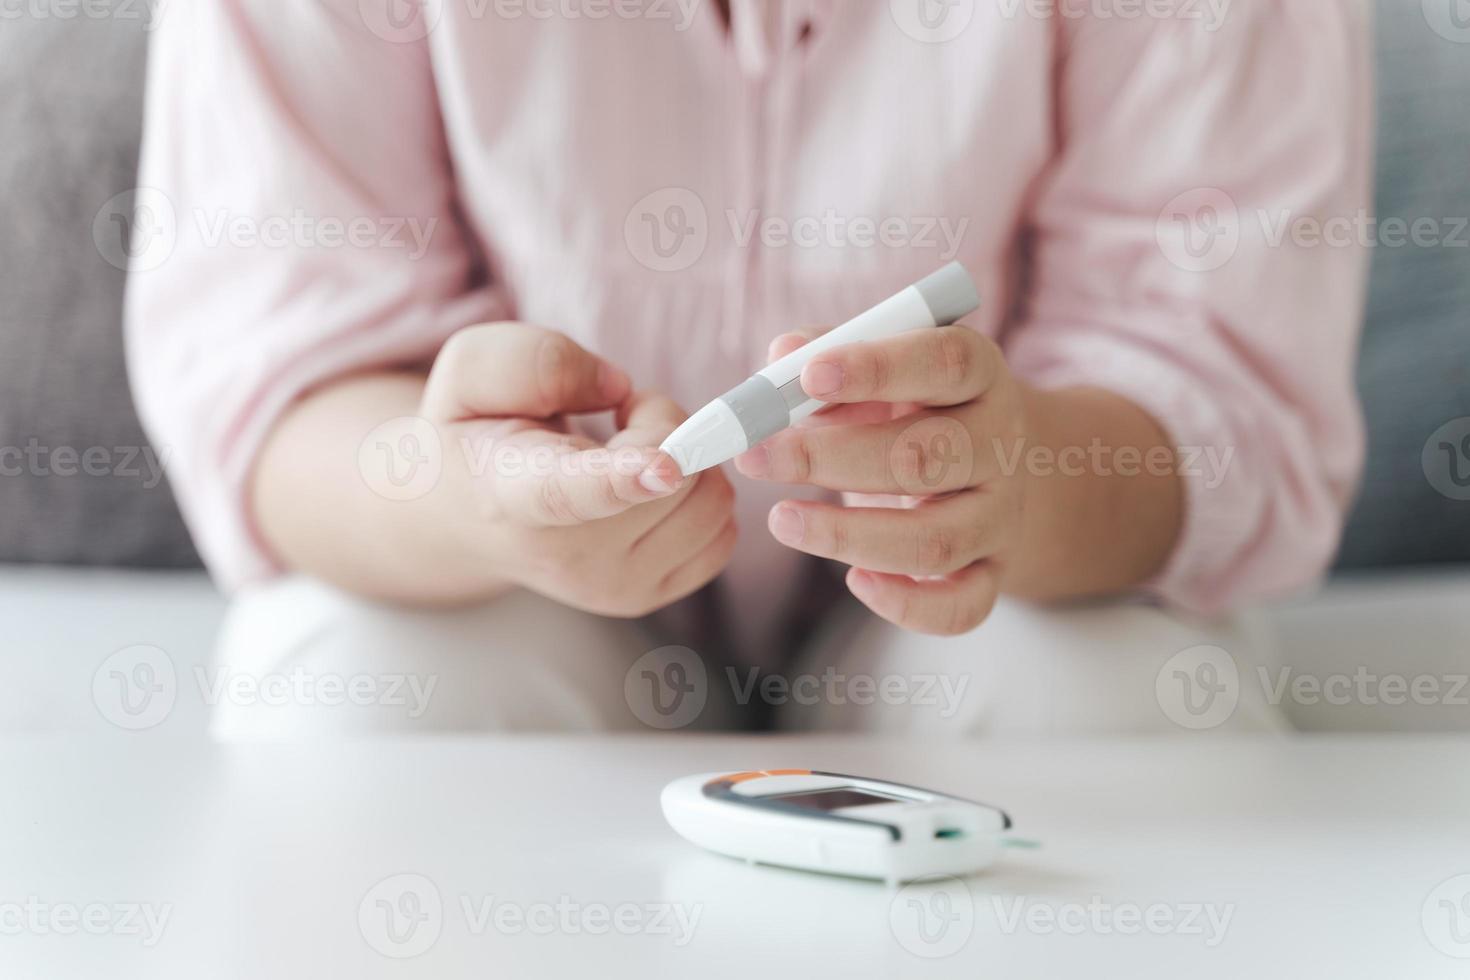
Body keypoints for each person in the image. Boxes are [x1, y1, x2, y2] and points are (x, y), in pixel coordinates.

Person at [125, 0, 1372, 736]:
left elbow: (1223, 401)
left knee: (1123, 708)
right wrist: (466, 497)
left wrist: (1019, 480)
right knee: (359, 693)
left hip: (1003, 604)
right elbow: (275, 381)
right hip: (500, 597)